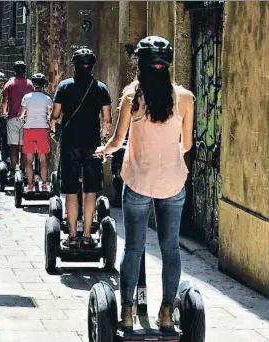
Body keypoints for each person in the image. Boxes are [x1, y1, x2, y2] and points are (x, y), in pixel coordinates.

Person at [95, 36, 195, 332]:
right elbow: (186, 145)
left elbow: (117, 141)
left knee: (135, 248)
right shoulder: (185, 98)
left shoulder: (132, 98)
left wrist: (104, 151)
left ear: (140, 64)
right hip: (173, 183)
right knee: (170, 248)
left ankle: (126, 312)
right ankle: (166, 312)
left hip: (138, 181)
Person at [50, 48, 112, 248]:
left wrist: (54, 130)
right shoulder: (101, 88)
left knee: (70, 190)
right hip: (92, 145)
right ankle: (87, 235)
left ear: (74, 65)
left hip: (70, 144)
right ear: (92, 66)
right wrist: (103, 138)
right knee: (90, 190)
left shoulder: (64, 86)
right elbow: (107, 119)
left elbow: (55, 115)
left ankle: (71, 236)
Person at [19, 73, 53, 192]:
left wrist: (23, 117)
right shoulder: (47, 99)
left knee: (29, 159)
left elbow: (21, 114)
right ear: (43, 85)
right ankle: (44, 184)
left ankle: (30, 184)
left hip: (29, 129)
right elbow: (50, 115)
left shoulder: (26, 97)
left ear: (33, 84)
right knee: (43, 159)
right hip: (42, 130)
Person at [0, 61, 35, 176]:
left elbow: (4, 101)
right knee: (24, 146)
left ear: (14, 71)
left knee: (13, 145)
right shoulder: (30, 84)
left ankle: (13, 169)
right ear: (25, 71)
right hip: (27, 118)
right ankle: (24, 170)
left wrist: (3, 112)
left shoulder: (9, 84)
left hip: (13, 117)